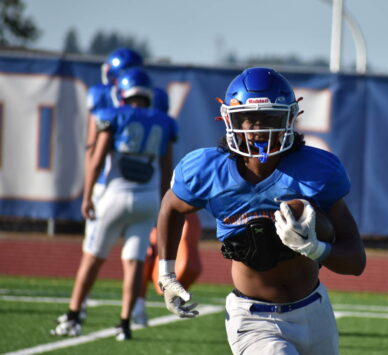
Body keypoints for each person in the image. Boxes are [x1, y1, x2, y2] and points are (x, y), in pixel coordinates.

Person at [156, 67, 366, 354]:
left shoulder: (315, 171)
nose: (257, 130)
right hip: (254, 316)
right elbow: (171, 205)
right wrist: (166, 273)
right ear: (230, 119)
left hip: (314, 311)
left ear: (290, 119)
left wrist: (315, 248)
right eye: (247, 119)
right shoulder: (209, 170)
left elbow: (355, 261)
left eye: (269, 118)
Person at [51, 68, 178, 341]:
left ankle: (73, 317)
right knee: (133, 263)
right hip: (148, 199)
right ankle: (124, 323)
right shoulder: (164, 121)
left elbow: (96, 159)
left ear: (123, 93)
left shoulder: (113, 115)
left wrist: (87, 196)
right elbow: (168, 171)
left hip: (114, 195)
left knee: (92, 257)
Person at [131, 85, 204, 327]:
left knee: (143, 253)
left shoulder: (136, 122)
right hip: (158, 196)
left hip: (146, 195)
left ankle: (137, 307)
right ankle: (136, 307)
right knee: (143, 253)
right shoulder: (166, 125)